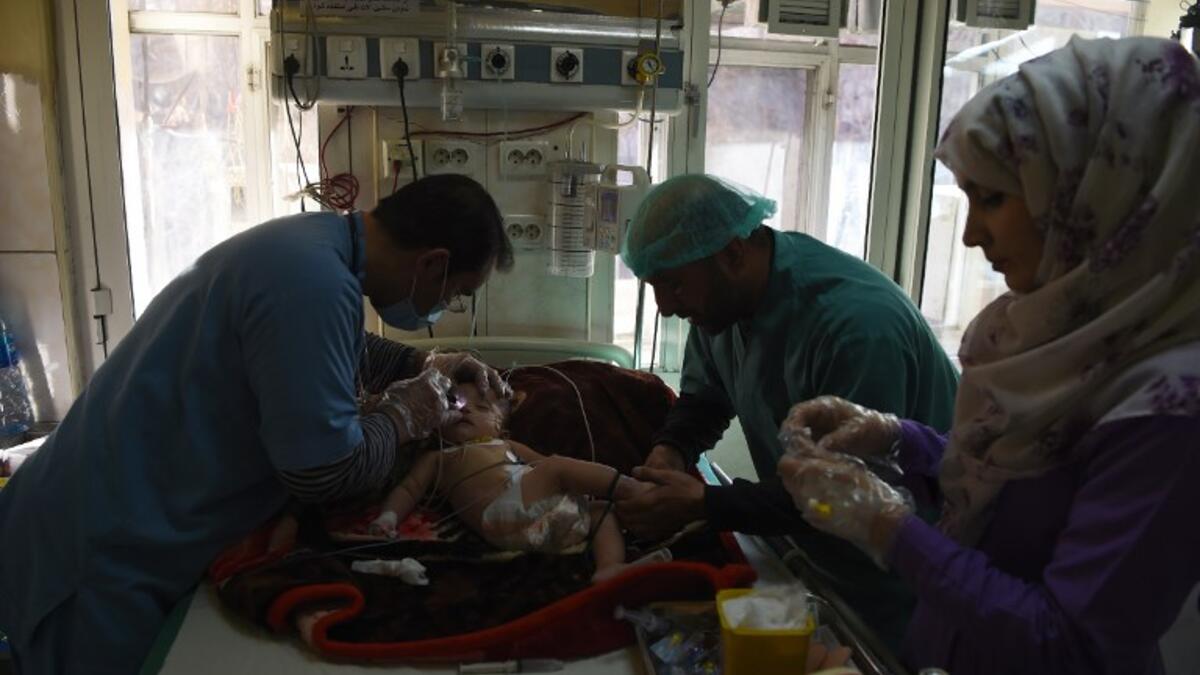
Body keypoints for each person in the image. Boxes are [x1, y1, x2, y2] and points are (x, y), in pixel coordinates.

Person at [778, 36, 1200, 675]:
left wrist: (888, 528)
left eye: (994, 198)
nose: (972, 234)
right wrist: (901, 441)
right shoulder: (1054, 333)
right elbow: (1019, 490)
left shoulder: (1171, 407)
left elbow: (1068, 645)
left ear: (1099, 192)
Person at [0, 174, 514, 674]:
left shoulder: (310, 246)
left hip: (96, 514)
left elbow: (330, 351)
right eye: (456, 294)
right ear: (433, 263)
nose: (446, 309)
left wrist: (421, 365)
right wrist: (404, 417)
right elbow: (324, 471)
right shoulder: (313, 283)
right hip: (96, 554)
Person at [614, 173, 960, 648]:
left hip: (909, 579)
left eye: (673, 286)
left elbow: (846, 488)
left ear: (733, 253)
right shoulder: (720, 304)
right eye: (655, 287)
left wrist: (706, 504)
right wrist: (672, 449)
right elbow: (708, 397)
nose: (665, 308)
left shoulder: (856, 327)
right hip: (819, 559)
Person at [369, 383, 653, 582]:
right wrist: (388, 517)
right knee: (557, 466)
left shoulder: (505, 444)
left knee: (602, 511)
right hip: (501, 511)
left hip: (550, 520)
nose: (466, 410)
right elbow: (408, 488)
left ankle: (610, 567)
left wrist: (574, 488)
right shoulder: (438, 457)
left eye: (480, 407)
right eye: (456, 404)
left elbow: (539, 465)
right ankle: (635, 490)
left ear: (499, 426)